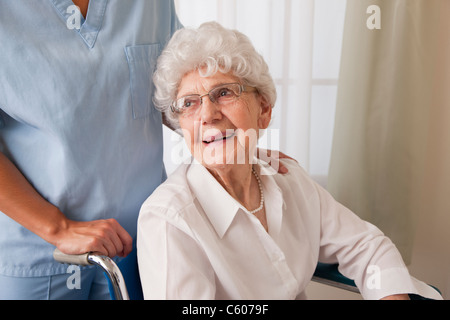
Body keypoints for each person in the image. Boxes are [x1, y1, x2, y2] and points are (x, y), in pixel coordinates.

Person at [137, 22, 443, 300]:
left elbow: (367, 246)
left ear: (264, 111)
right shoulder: (169, 220)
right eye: (189, 103)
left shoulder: (287, 179)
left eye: (224, 93)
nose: (207, 115)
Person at [0, 0, 182, 299]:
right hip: (41, 254)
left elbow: (177, 94)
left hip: (139, 247)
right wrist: (58, 229)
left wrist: (237, 150)